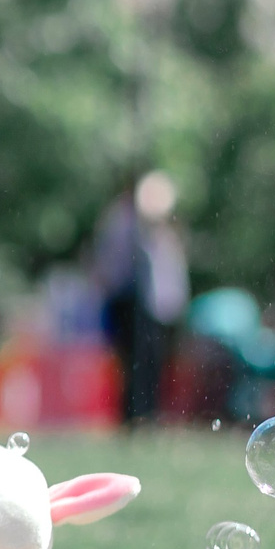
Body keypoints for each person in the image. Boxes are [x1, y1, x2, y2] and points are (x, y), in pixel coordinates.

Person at [94, 171, 189, 428]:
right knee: (131, 363)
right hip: (128, 301)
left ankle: (147, 414)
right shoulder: (122, 221)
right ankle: (133, 416)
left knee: (151, 363)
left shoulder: (161, 232)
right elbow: (112, 265)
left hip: (153, 308)